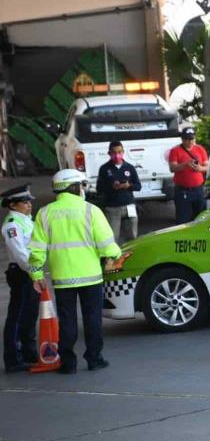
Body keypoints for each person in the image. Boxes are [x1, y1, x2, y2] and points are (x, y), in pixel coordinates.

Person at [28, 169, 121, 374]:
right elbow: (106, 244)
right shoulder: (91, 210)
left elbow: (36, 251)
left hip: (63, 279)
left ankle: (68, 364)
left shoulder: (44, 213)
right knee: (93, 320)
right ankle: (94, 359)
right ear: (74, 187)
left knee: (67, 321)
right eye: (81, 185)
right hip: (91, 277)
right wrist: (115, 256)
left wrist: (36, 275)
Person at [1, 184, 38, 373]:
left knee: (30, 315)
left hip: (31, 272)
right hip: (22, 273)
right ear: (13, 205)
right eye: (24, 202)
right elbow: (20, 253)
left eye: (29, 201)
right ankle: (13, 359)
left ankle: (29, 353)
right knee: (17, 316)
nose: (29, 204)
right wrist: (34, 272)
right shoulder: (12, 224)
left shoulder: (26, 220)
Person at [97, 141, 141, 243]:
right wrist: (111, 187)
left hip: (129, 206)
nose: (117, 155)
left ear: (123, 152)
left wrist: (128, 185)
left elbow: (138, 186)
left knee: (132, 237)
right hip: (113, 208)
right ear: (109, 154)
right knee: (112, 238)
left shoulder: (129, 167)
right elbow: (99, 188)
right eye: (114, 153)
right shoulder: (104, 169)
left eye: (119, 152)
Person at [168, 127, 208, 224]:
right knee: (183, 219)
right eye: (187, 139)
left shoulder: (200, 149)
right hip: (183, 191)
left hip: (198, 190)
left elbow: (207, 166)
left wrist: (200, 168)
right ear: (182, 139)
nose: (190, 141)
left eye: (192, 139)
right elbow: (172, 168)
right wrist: (185, 164)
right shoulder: (175, 150)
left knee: (200, 218)